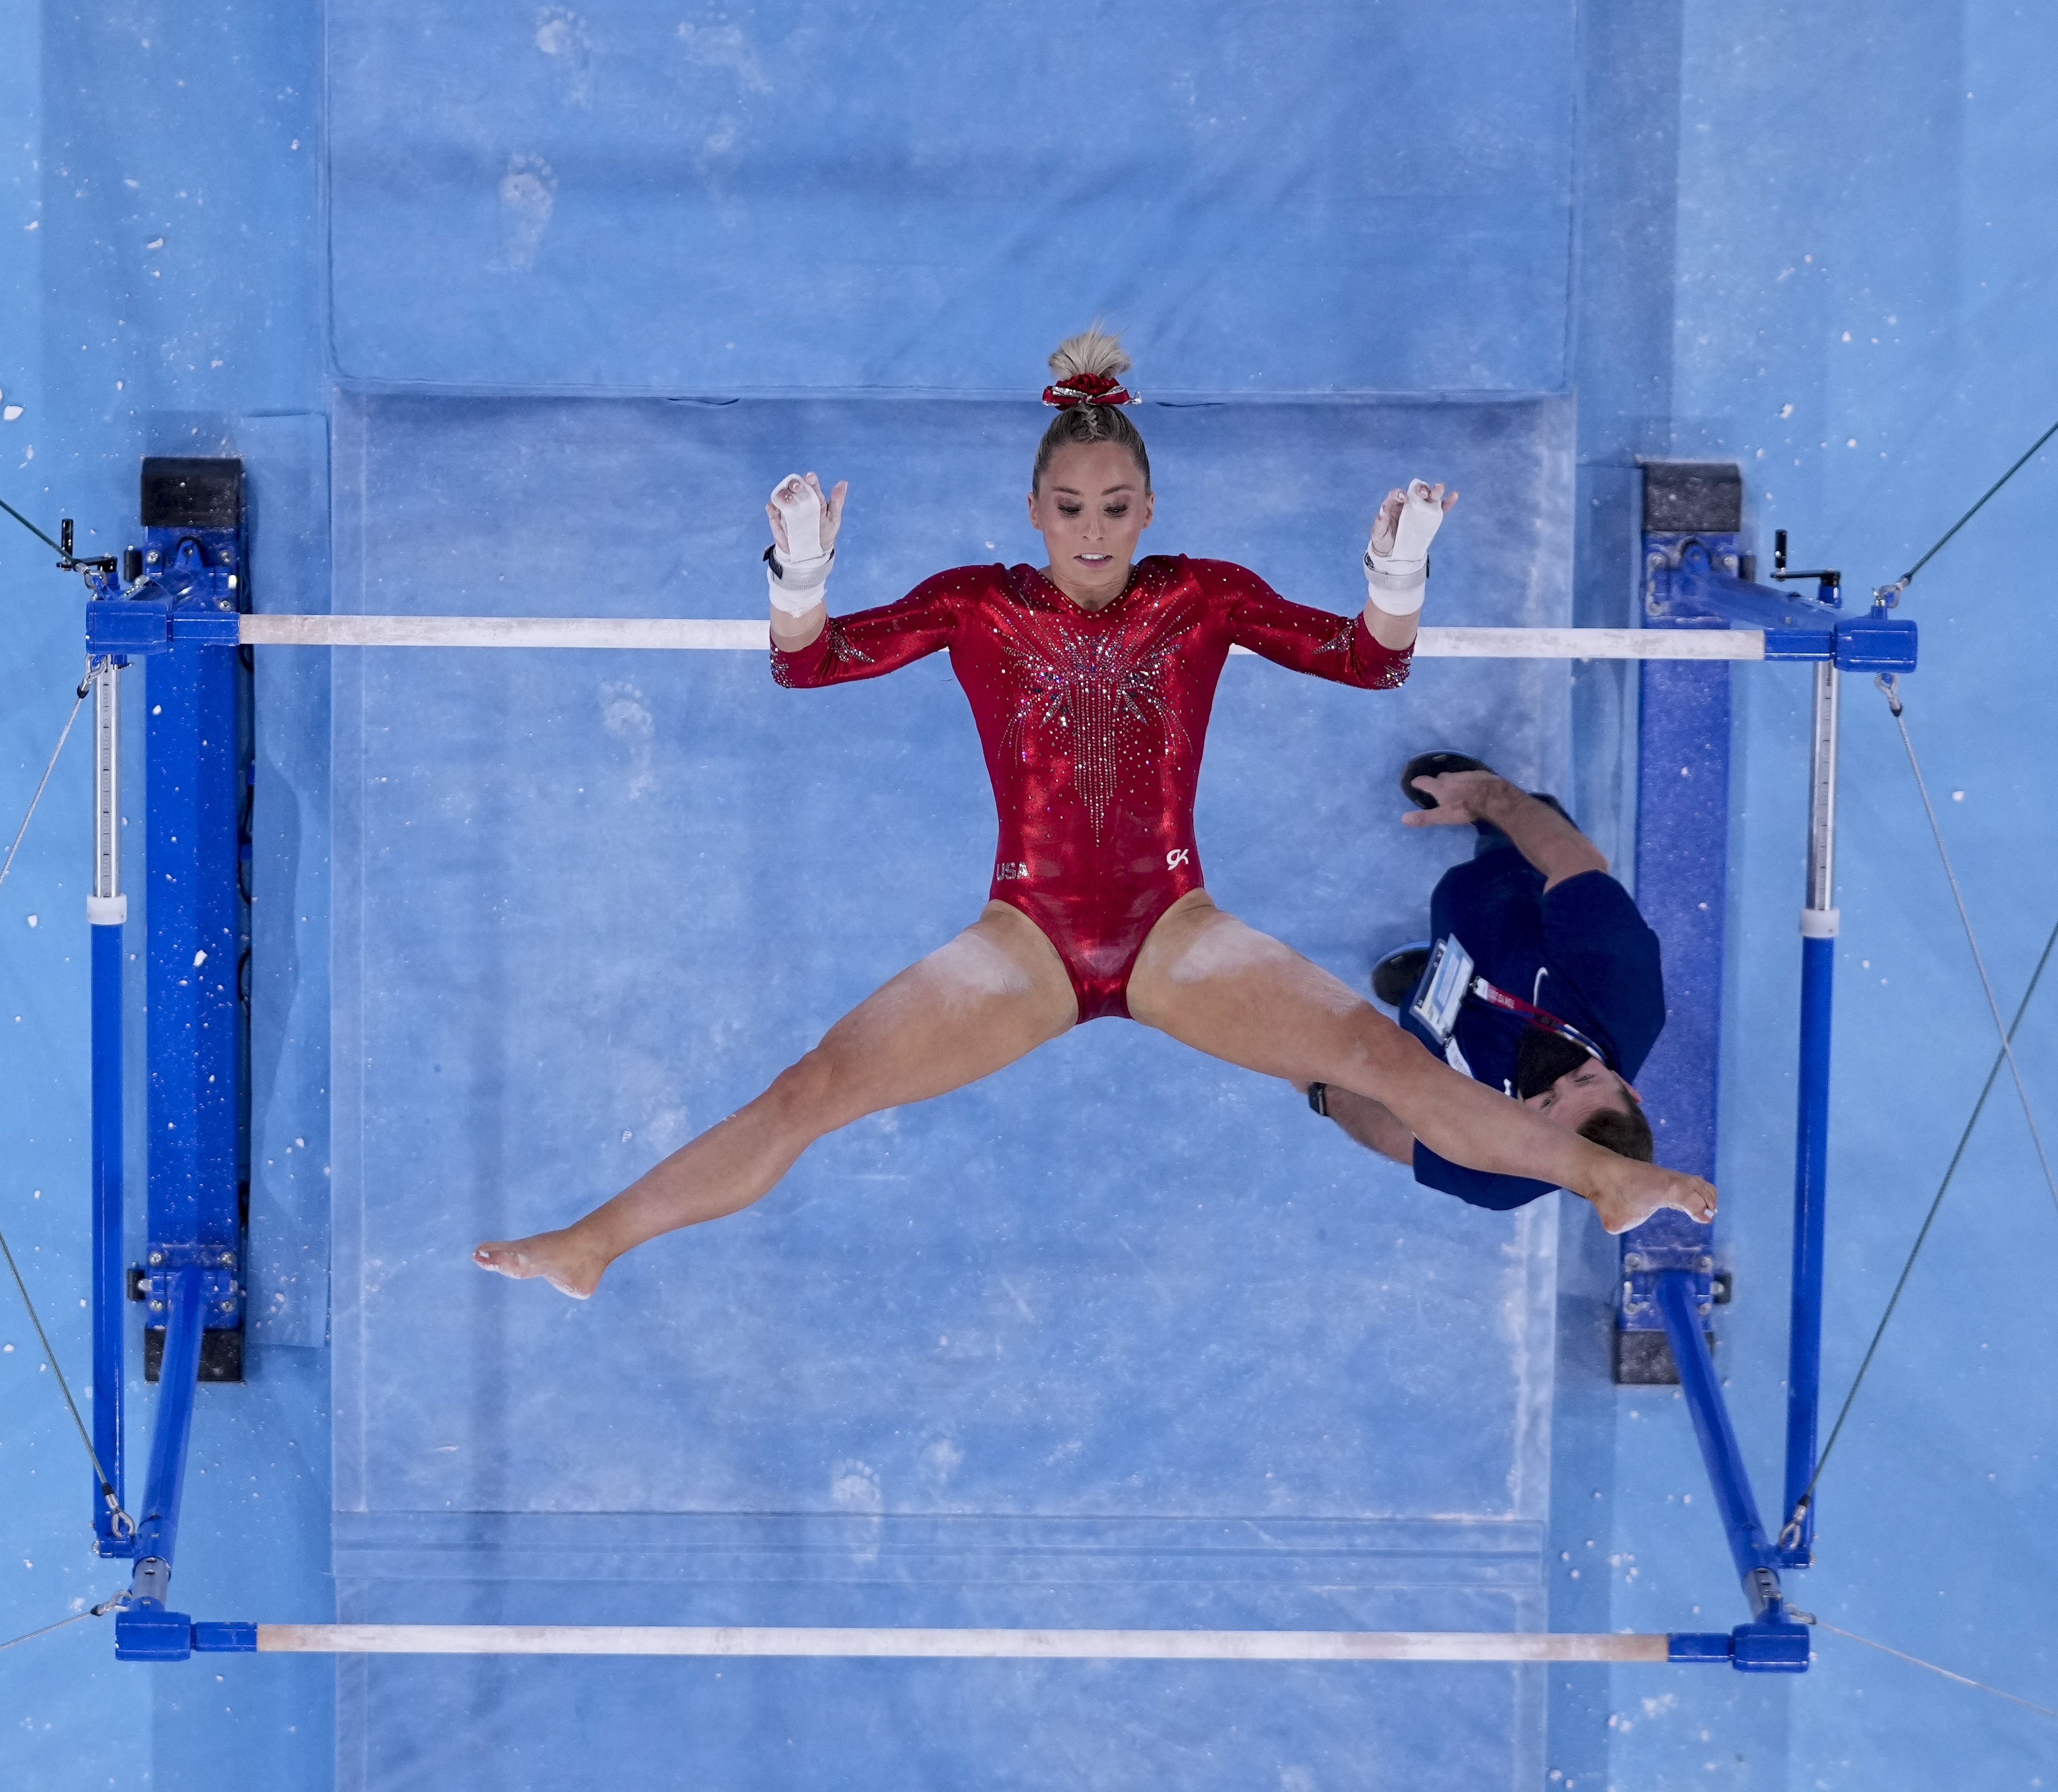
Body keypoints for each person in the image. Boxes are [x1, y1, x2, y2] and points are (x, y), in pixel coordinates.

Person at [473, 326, 1714, 1299]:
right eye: (1069, 508)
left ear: (1146, 511)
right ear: (1033, 512)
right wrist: (799, 580)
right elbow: (808, 664)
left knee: (1380, 1061)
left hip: (1179, 934)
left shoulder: (1200, 597)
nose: (1092, 531)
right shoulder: (974, 604)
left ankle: (1600, 1180)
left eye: (1115, 507)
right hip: (1022, 943)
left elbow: (1366, 663)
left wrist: (1392, 582)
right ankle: (596, 1241)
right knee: (811, 1092)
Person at [1303, 756, 1662, 1209]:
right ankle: (1504, 820)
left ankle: (1429, 975)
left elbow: (1398, 1136)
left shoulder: (1496, 1174)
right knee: (1527, 844)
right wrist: (1490, 797)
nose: (1558, 1077)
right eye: (1584, 1079)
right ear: (1628, 1089)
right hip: (1506, 903)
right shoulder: (1626, 992)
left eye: (1547, 1101)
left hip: (1446, 1014)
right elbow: (1573, 862)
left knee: (1401, 1040)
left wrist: (1325, 1091)